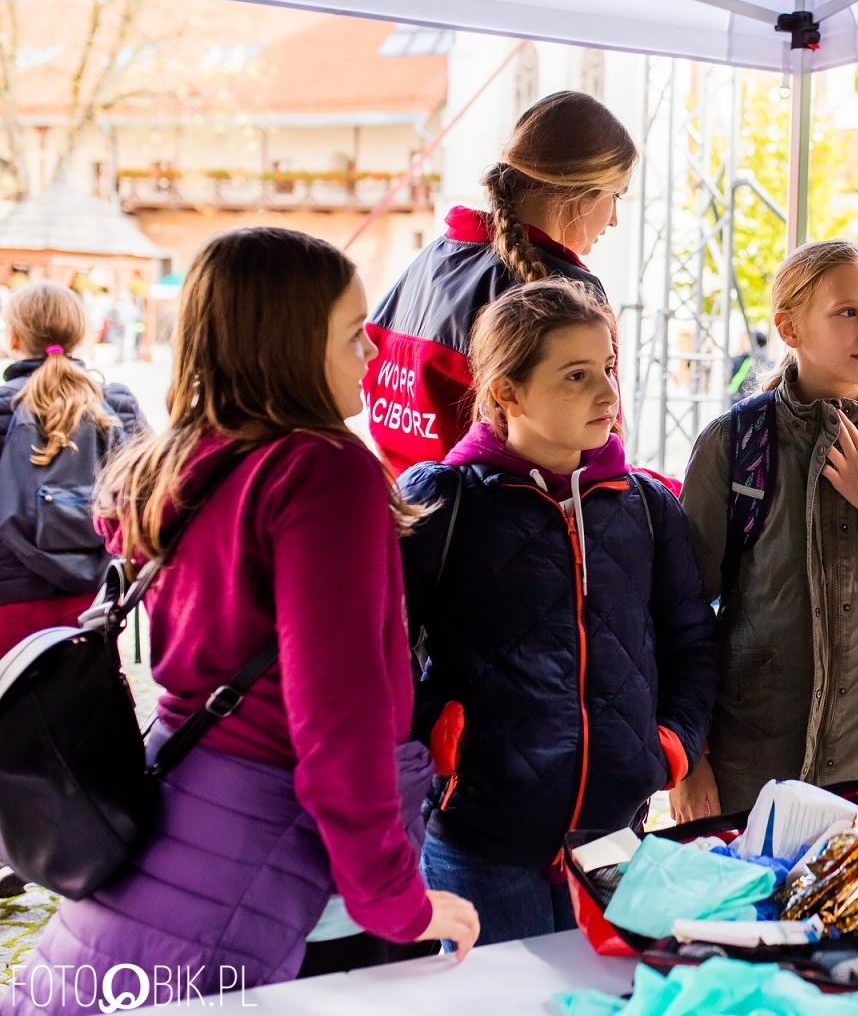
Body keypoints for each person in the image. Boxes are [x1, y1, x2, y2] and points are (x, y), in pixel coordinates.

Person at [21, 228, 478, 1012]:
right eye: (349, 332)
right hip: (268, 841)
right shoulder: (323, 469)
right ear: (288, 347)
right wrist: (398, 900)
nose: (372, 349)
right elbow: (339, 720)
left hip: (175, 796)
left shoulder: (179, 460)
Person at [400, 279, 717, 946]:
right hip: (481, 842)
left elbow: (692, 644)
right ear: (505, 391)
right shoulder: (444, 502)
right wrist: (437, 733)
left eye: (607, 369)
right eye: (577, 376)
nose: (607, 394)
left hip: (616, 843)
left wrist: (670, 748)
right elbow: (375, 652)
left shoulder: (649, 508)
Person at [672, 240, 858, 820]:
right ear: (789, 328)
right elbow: (680, 614)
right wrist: (692, 757)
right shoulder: (735, 444)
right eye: (847, 312)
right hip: (749, 769)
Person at [365, 90, 636, 474]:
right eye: (616, 197)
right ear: (581, 195)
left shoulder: (433, 258)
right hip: (504, 519)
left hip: (407, 508)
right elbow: (598, 450)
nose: (613, 221)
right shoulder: (565, 290)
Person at [0, 282, 146, 655]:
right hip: (94, 606)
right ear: (80, 336)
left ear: (13, 337)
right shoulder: (117, 406)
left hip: (9, 607)